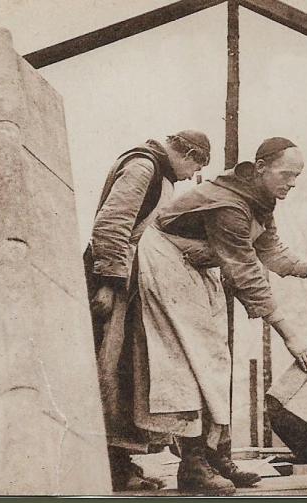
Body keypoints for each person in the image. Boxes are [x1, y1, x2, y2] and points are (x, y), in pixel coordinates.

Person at [130, 137, 307, 494]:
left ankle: (216, 455)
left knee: (214, 358)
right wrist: (289, 333)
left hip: (195, 266)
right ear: (260, 167)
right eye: (286, 174)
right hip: (167, 260)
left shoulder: (258, 200)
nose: (291, 183)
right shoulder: (228, 204)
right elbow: (247, 272)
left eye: (297, 177)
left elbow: (270, 250)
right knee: (193, 359)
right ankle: (193, 467)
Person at [83, 130, 211, 491]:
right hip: (115, 277)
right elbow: (112, 224)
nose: (190, 176)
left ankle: (121, 462)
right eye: (194, 166)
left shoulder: (159, 173)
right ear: (185, 153)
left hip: (130, 277)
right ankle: (112, 465)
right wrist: (108, 282)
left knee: (126, 373)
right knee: (111, 368)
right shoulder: (143, 167)